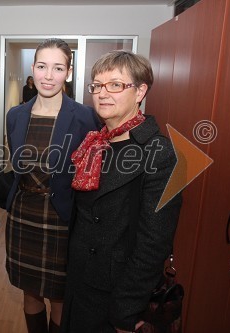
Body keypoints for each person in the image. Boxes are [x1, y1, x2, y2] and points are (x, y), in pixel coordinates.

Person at [62, 50, 183, 333]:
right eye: (97, 85)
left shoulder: (161, 152)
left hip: (116, 295)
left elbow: (154, 243)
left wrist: (125, 313)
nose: (103, 93)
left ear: (140, 91)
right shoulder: (94, 143)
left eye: (116, 85)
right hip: (79, 281)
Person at [5, 38, 100, 333]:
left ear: (68, 72)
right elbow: (17, 166)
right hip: (23, 216)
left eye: (58, 68)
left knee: (59, 297)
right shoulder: (16, 115)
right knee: (29, 292)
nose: (49, 75)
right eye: (43, 66)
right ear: (33, 69)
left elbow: (92, 171)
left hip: (61, 217)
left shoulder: (86, 117)